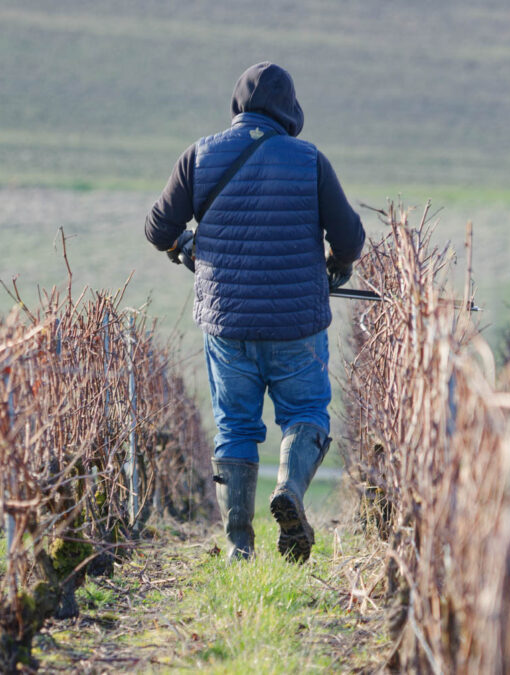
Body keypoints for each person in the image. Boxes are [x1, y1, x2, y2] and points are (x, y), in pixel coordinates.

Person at [144, 62, 365, 562]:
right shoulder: (310, 161)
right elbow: (350, 238)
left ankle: (239, 545)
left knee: (236, 426)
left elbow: (158, 230)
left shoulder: (198, 156)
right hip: (297, 325)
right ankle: (289, 490)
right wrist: (334, 268)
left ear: (238, 107)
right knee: (306, 413)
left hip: (227, 326)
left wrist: (186, 245)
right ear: (290, 113)